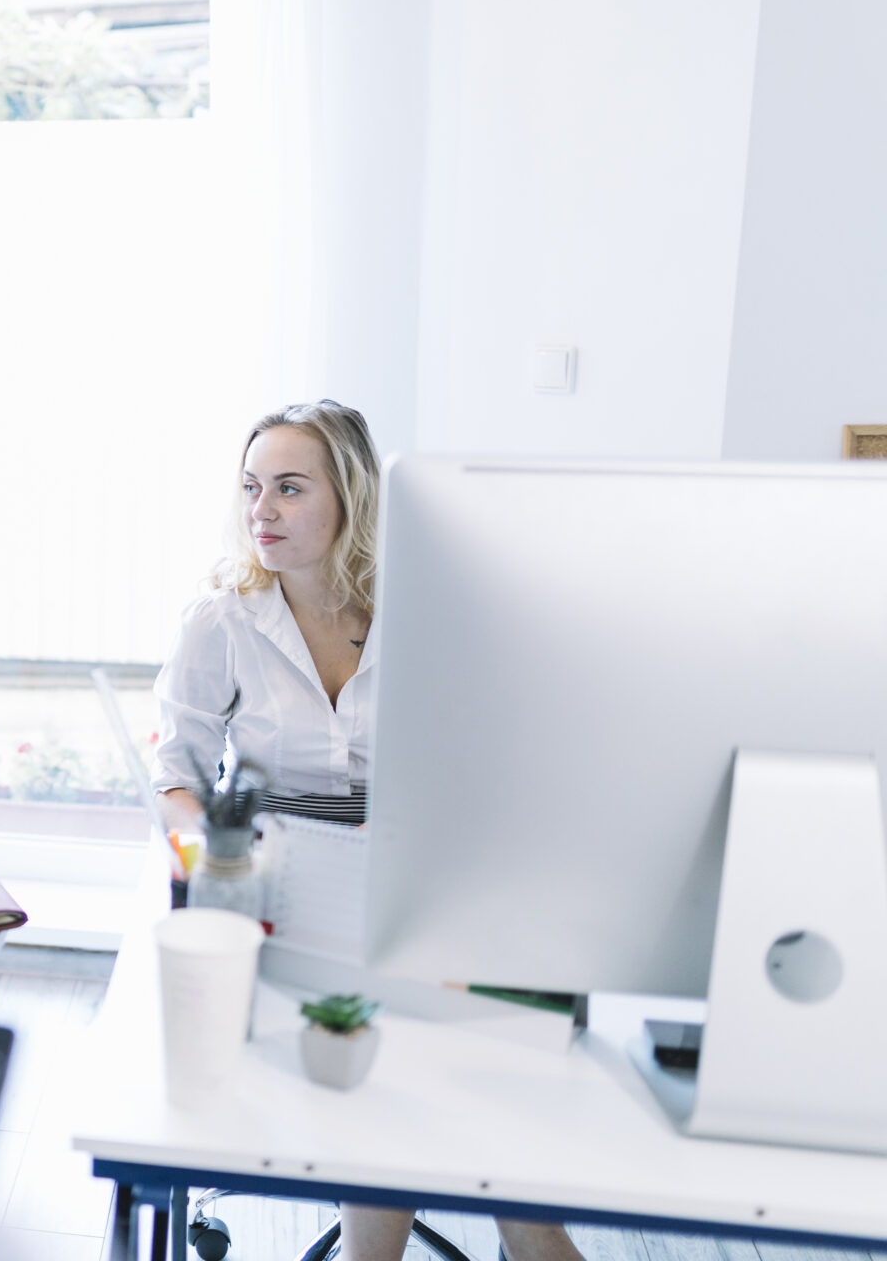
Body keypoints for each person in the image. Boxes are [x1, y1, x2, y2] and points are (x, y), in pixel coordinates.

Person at [151, 401, 585, 1261]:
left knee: (505, 1100)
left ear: (348, 498)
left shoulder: (434, 607)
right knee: (377, 1081)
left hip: (421, 877)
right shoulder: (223, 619)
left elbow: (496, 764)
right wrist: (219, 859)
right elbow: (177, 772)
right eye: (250, 488)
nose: (260, 512)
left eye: (288, 488)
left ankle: (524, 1227)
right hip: (284, 885)